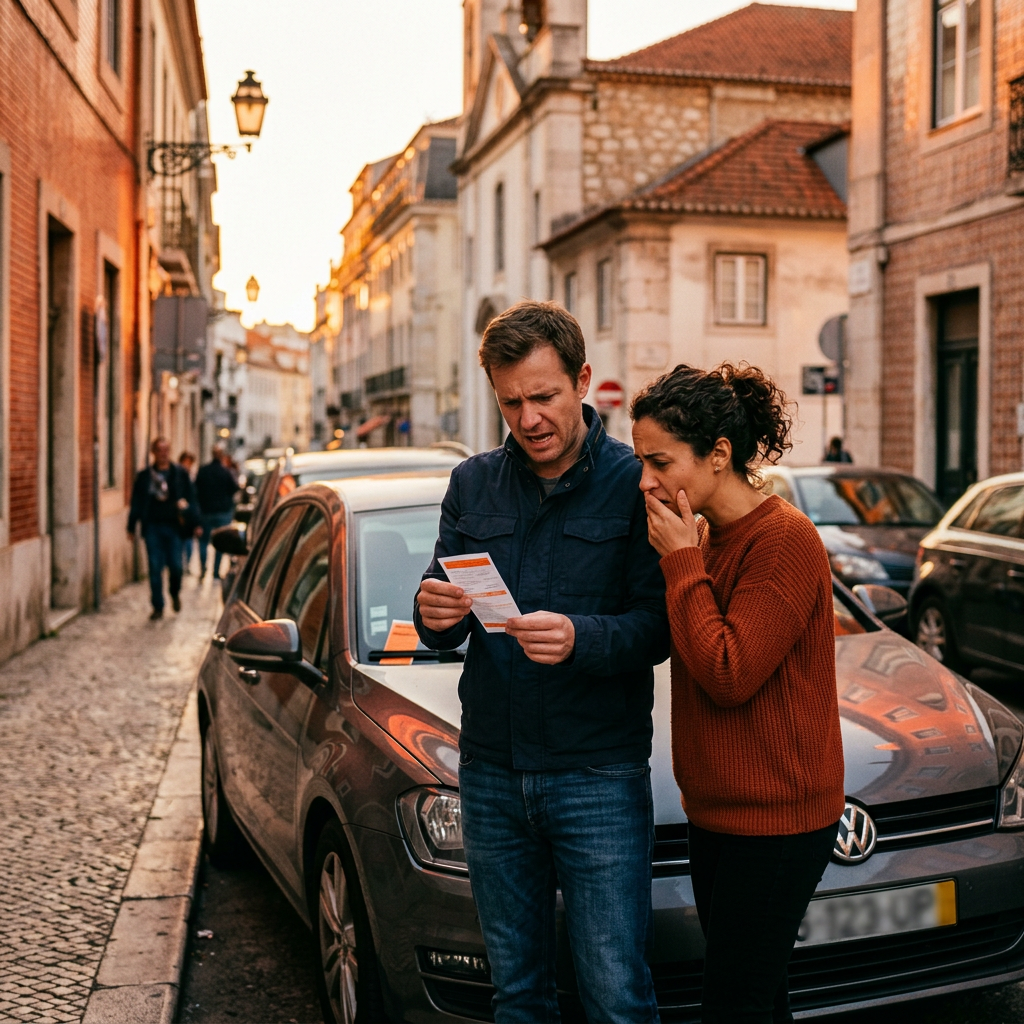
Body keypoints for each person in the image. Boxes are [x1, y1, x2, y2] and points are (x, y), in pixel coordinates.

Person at [415, 301, 669, 1024]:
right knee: (517, 995)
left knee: (617, 997)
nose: (528, 419)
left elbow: (659, 627)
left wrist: (582, 638)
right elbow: (439, 607)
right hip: (492, 773)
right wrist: (432, 614)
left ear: (582, 380)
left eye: (544, 397)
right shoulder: (473, 484)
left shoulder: (633, 483)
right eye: (511, 401)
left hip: (598, 774)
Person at [630, 363, 845, 1024]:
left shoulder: (783, 540)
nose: (644, 481)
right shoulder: (705, 538)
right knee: (754, 999)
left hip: (779, 821)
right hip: (718, 813)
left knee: (733, 1004)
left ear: (718, 455)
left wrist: (679, 565)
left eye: (658, 461)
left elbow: (728, 672)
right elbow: (689, 647)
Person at [128, 438, 197, 620]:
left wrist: (194, 519)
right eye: (159, 450)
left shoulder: (179, 473)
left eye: (166, 449)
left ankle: (174, 593)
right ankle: (158, 606)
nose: (163, 453)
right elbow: (136, 501)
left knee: (176, 567)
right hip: (152, 527)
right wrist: (131, 525)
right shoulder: (144, 476)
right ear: (153, 452)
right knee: (155, 567)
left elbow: (191, 497)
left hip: (175, 527)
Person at [195, 444, 239, 579]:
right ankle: (215, 572)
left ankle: (203, 569)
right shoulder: (226, 472)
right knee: (219, 543)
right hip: (222, 511)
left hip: (206, 511)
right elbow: (234, 488)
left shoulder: (203, 471)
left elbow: (196, 489)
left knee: (203, 541)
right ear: (221, 456)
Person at [178, 452, 197, 574]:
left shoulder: (190, 478)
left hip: (189, 515)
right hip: (178, 515)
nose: (187, 466)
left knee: (189, 542)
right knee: (180, 542)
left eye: (189, 463)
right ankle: (180, 565)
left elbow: (194, 498)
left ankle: (187, 565)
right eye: (185, 463)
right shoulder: (176, 476)